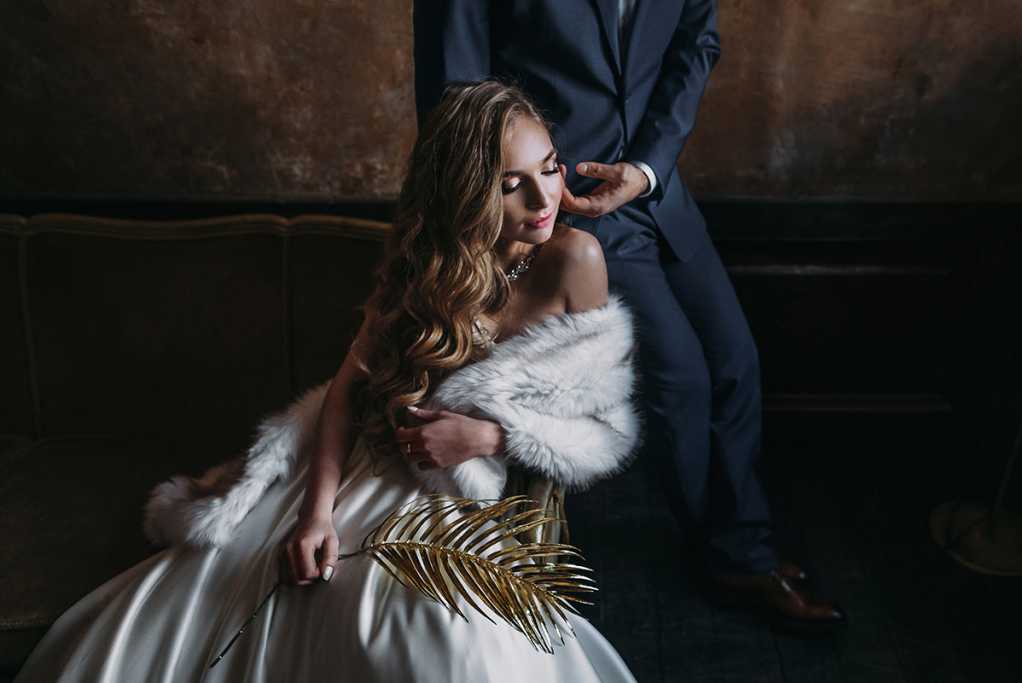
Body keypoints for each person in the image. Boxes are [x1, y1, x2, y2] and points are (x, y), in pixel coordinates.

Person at [14, 81, 640, 682]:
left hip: (461, 495)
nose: (542, 199)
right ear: (466, 192)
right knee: (229, 584)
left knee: (435, 629)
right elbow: (346, 391)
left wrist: (492, 438)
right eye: (511, 185)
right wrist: (315, 516)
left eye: (549, 169)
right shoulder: (427, 261)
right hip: (371, 465)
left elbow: (603, 425)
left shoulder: (574, 259)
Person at [414, 0, 846, 632]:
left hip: (656, 189)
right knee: (683, 384)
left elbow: (695, 42)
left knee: (736, 365)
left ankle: (741, 543)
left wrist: (647, 168)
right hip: (558, 208)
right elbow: (456, 100)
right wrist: (523, 202)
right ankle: (737, 557)